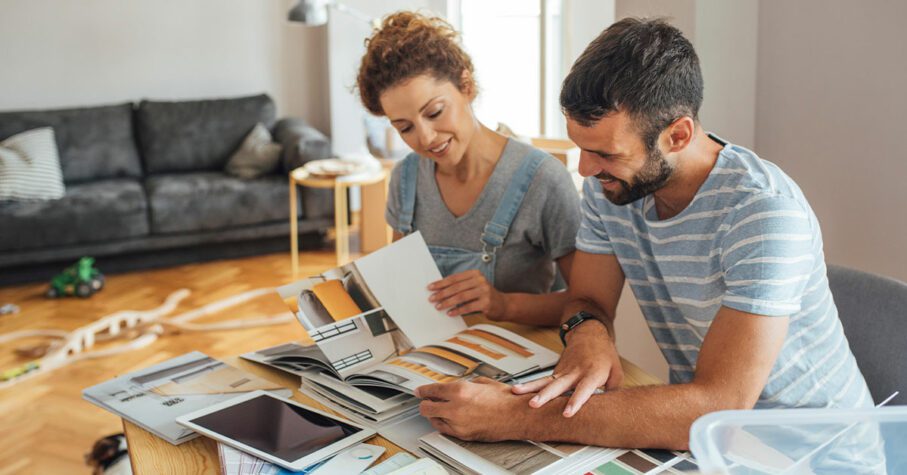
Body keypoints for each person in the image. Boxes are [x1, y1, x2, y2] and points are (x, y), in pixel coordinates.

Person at [414, 17, 880, 462]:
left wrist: (514, 416)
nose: (584, 170)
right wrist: (588, 332)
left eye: (604, 153)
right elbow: (588, 296)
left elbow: (718, 409)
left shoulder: (764, 216)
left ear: (677, 135)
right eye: (580, 148)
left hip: (811, 456)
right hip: (709, 443)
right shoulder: (611, 187)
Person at [356, 12, 580, 326]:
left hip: (520, 364)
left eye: (434, 112)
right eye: (405, 128)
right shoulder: (405, 180)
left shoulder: (543, 181)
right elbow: (404, 290)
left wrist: (503, 305)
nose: (426, 138)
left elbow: (588, 306)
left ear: (466, 86)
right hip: (434, 362)